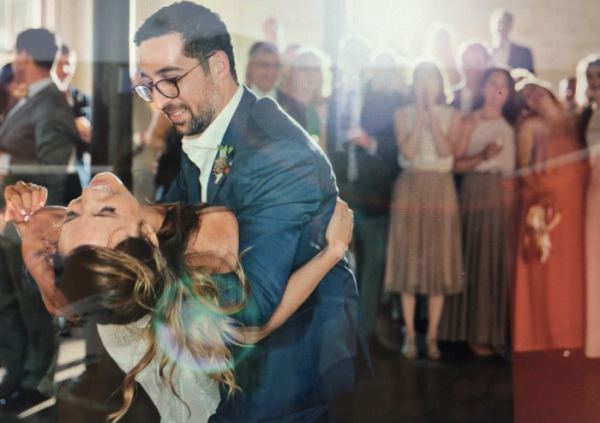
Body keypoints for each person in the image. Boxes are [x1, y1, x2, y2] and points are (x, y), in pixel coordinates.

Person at [129, 3, 368, 422]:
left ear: (218, 65)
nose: (159, 101)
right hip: (230, 364)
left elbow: (249, 309)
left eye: (170, 79)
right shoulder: (205, 128)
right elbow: (169, 230)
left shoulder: (276, 151)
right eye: (149, 85)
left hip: (286, 370)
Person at [3, 170, 354, 422]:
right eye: (105, 211)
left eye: (74, 211)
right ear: (148, 238)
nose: (88, 195)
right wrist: (333, 252)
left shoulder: (106, 269)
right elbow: (254, 328)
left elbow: (54, 252)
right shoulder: (195, 277)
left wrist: (27, 227)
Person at [0, 28, 78, 415]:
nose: (13, 60)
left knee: (33, 306)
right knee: (9, 304)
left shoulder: (52, 104)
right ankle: (15, 372)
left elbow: (49, 174)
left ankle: (37, 379)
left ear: (28, 55)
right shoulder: (29, 99)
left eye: (16, 53)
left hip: (30, 228)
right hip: (9, 222)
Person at [385, 61, 464, 360]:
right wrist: (420, 117)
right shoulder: (402, 114)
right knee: (408, 257)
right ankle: (410, 334)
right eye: (420, 80)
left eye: (431, 80)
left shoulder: (453, 115)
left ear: (439, 85)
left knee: (438, 259)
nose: (425, 85)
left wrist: (433, 115)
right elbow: (407, 150)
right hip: (410, 186)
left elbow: (446, 151)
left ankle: (432, 336)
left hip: (440, 188)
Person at [439, 68, 519, 356]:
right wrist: (482, 156)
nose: (498, 90)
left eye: (504, 85)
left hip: (505, 194)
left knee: (498, 262)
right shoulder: (470, 121)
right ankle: (474, 333)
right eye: (492, 84)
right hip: (478, 189)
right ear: (483, 88)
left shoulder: (512, 123)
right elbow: (454, 164)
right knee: (478, 258)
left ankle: (494, 333)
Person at [513, 80, 587, 352]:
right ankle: (546, 338)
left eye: (533, 90)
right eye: (525, 97)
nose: (531, 96)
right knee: (548, 273)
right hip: (546, 206)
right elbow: (523, 167)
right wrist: (542, 198)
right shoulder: (530, 127)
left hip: (578, 203)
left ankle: (575, 337)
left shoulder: (578, 118)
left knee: (574, 273)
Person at [576, 54, 600, 358]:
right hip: (592, 192)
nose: (595, 81)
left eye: (599, 75)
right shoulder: (585, 114)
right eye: (590, 76)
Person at [51, 43, 93, 203]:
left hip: (77, 175)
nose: (64, 69)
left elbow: (92, 146)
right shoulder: (42, 100)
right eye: (60, 64)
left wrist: (89, 136)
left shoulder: (83, 99)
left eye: (68, 64)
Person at [245, 41, 306, 128]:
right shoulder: (234, 100)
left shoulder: (294, 106)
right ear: (250, 67)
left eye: (276, 65)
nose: (272, 71)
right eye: (265, 65)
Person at [287, 46, 331, 143]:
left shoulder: (326, 106)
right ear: (294, 72)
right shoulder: (284, 105)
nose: (310, 74)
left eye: (315, 69)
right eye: (304, 69)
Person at [489, 9, 534, 74]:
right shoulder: (482, 52)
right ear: (491, 26)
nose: (501, 27)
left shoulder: (524, 53)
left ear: (510, 26)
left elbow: (530, 80)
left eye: (505, 24)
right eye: (498, 23)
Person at [452, 41, 490, 116]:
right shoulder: (449, 96)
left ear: (487, 65)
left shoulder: (492, 97)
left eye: (478, 63)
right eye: (468, 63)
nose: (473, 69)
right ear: (461, 65)